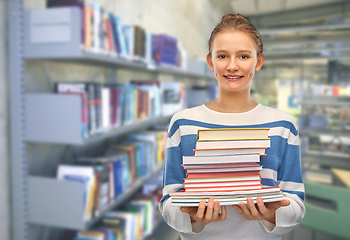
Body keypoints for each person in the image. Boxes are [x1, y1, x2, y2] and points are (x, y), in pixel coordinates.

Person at [159, 13, 305, 240]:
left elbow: (295, 202)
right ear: (210, 62)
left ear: (258, 62)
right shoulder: (183, 123)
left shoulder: (283, 125)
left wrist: (271, 214)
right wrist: (194, 218)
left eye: (244, 56)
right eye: (222, 56)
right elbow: (169, 203)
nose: (232, 66)